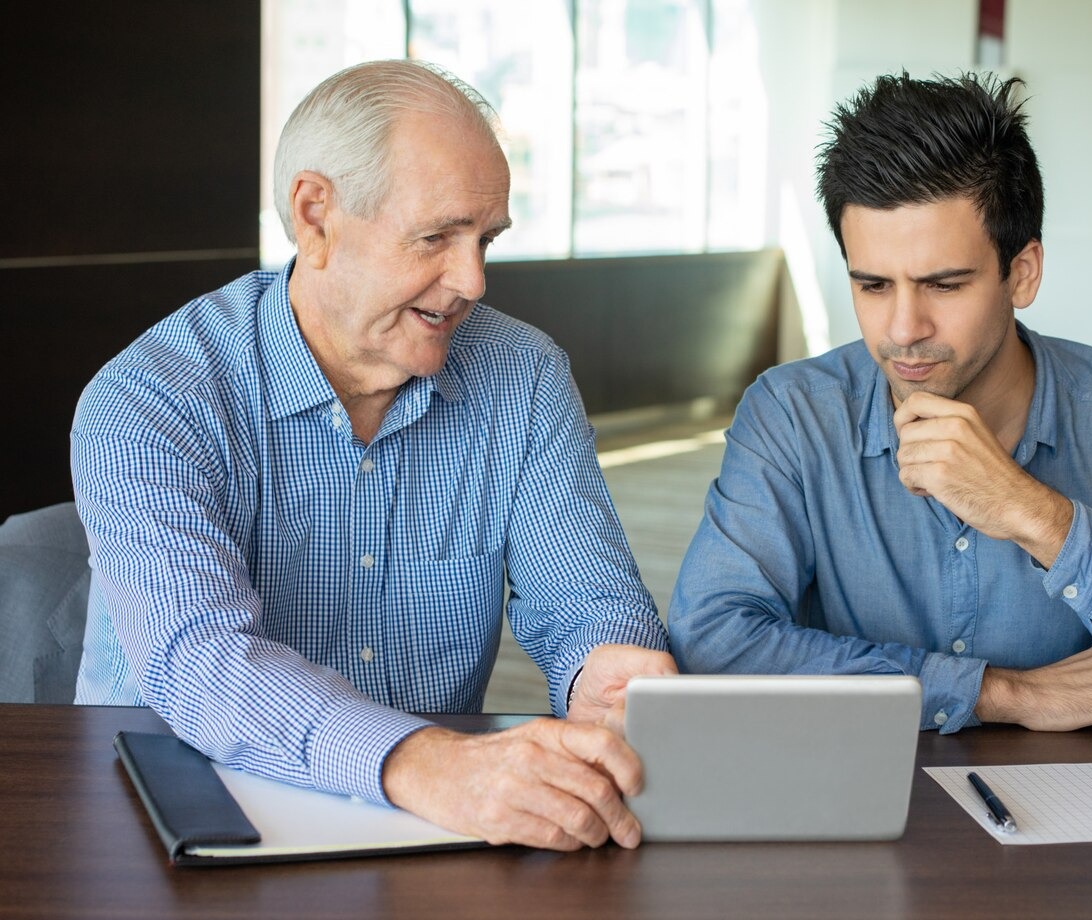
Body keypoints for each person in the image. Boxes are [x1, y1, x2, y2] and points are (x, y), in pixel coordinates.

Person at [71, 59, 677, 851]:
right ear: (316, 215)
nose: (473, 280)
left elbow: (585, 601)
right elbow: (201, 662)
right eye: (436, 237)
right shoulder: (151, 397)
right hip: (179, 813)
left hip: (435, 821)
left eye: (485, 239)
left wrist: (606, 671)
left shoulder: (524, 375)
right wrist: (421, 765)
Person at [668, 72, 1092, 738]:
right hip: (853, 804)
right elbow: (712, 645)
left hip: (1078, 815)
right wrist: (998, 694)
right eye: (873, 285)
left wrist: (1035, 514)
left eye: (944, 284)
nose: (903, 328)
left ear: (1022, 273)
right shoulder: (793, 415)